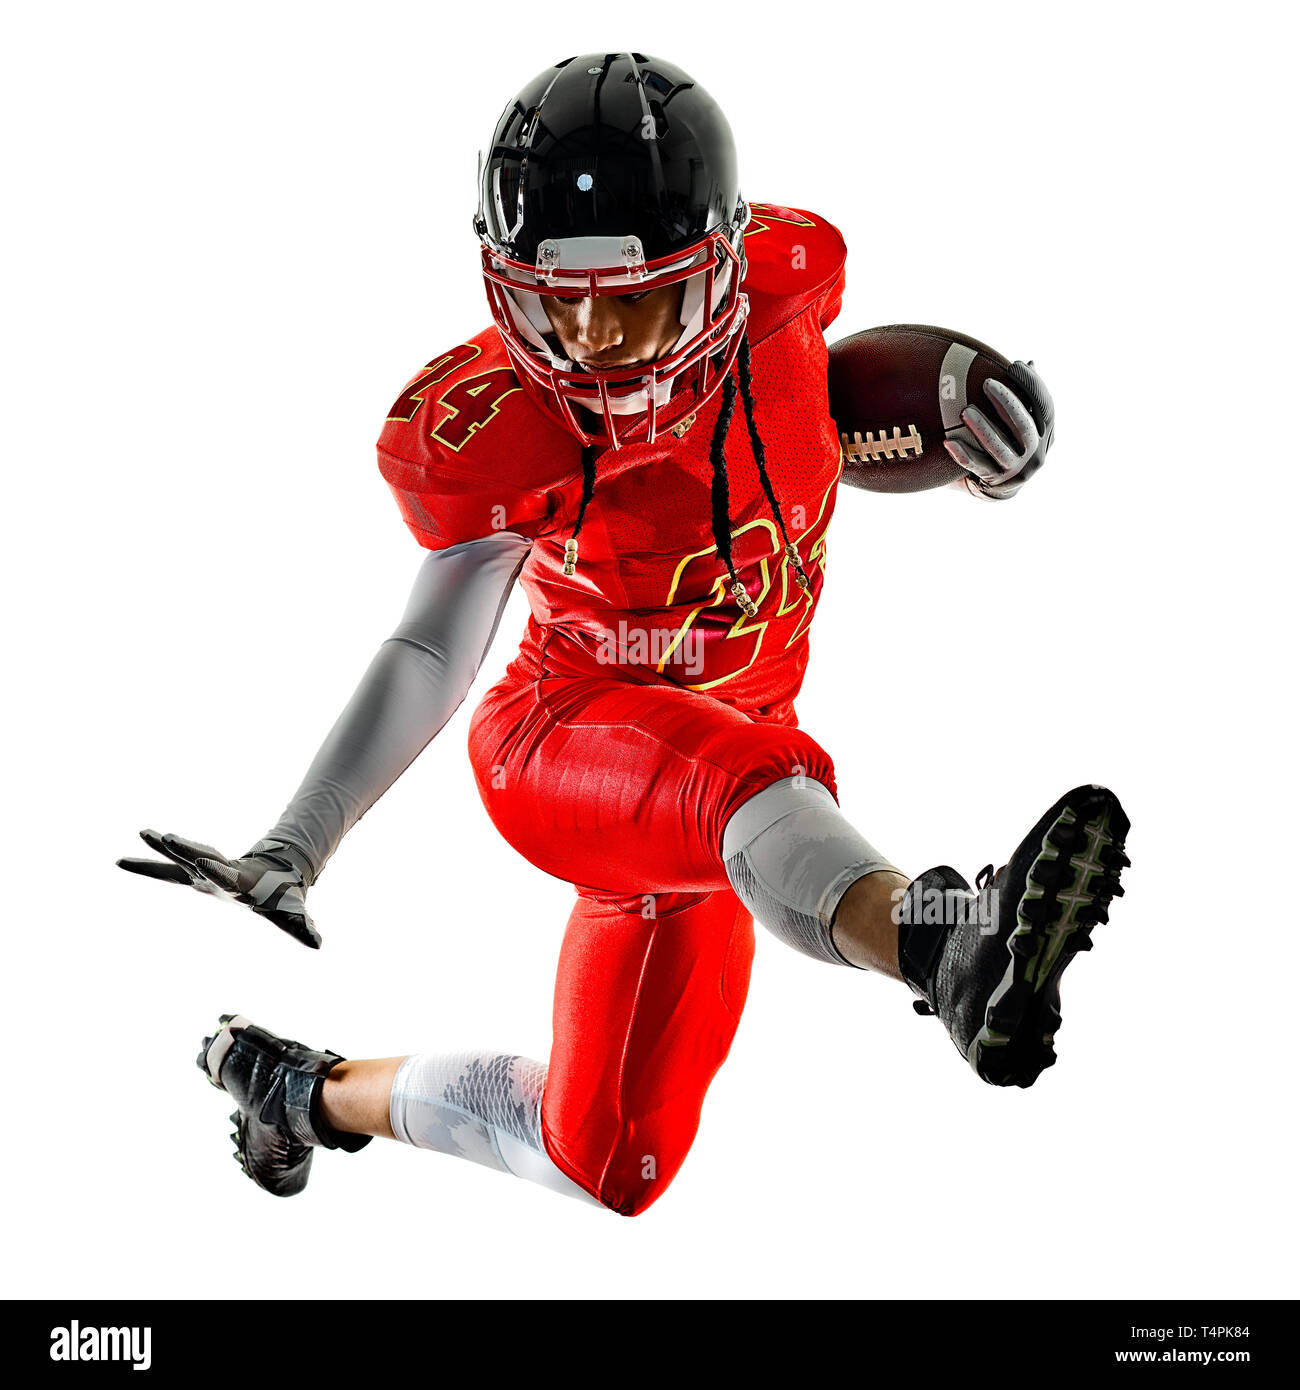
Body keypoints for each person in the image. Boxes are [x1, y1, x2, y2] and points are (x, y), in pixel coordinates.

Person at [120, 53, 1129, 1216]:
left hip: (733, 784)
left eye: (633, 292)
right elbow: (431, 647)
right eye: (560, 299)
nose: (594, 336)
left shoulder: (785, 302)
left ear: (718, 266)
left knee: (604, 1164)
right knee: (747, 774)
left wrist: (975, 454)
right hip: (563, 738)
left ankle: (296, 1093)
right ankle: (945, 937)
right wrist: (296, 842)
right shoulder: (504, 423)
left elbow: (836, 413)